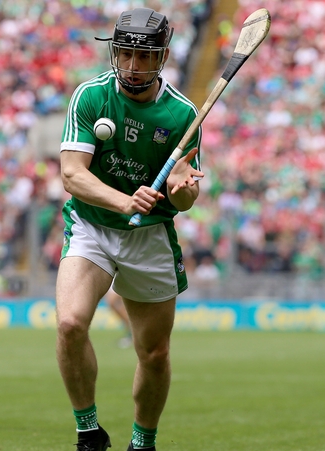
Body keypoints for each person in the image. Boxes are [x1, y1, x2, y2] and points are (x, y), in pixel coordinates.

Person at [56, 8, 203, 451]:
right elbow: (71, 175)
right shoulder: (90, 97)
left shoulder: (183, 113)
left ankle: (143, 441)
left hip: (150, 237)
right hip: (92, 226)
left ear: (161, 57)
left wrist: (179, 187)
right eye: (124, 54)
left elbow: (186, 198)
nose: (132, 67)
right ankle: (88, 432)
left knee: (154, 354)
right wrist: (123, 200)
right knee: (69, 323)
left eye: (143, 57)